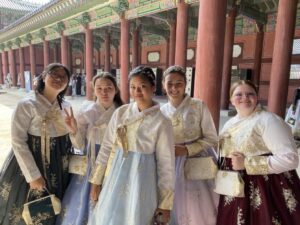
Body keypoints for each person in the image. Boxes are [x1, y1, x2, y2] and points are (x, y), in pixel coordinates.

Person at [88, 66, 175, 225]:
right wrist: (96, 182)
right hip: (115, 175)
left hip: (143, 179)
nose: (137, 91)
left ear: (153, 88)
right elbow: (106, 147)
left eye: (143, 86)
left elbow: (166, 164)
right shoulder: (121, 112)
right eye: (133, 87)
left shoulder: (162, 122)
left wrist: (165, 203)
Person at [217, 80, 300, 225]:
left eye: (250, 94)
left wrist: (248, 163)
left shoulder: (268, 120)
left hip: (265, 186)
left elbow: (290, 159)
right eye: (239, 94)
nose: (245, 98)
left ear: (257, 96)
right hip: (235, 186)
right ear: (231, 99)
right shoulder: (231, 123)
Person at [0, 63, 72, 225]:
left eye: (63, 77)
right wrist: (32, 175)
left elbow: (71, 140)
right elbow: (18, 141)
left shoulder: (66, 106)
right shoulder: (26, 104)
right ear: (43, 76)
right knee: (27, 209)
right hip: (31, 163)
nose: (58, 79)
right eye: (54, 74)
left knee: (54, 206)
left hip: (59, 164)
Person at [56, 73, 123, 225]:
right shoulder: (87, 111)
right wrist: (73, 130)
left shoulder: (123, 112)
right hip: (90, 161)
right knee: (85, 199)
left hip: (113, 161)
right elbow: (79, 145)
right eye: (99, 88)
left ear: (116, 90)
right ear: (94, 90)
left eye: (108, 88)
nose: (104, 92)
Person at [160, 65, 219, 225]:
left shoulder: (199, 105)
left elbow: (212, 138)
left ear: (186, 84)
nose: (174, 88)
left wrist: (186, 149)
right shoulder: (160, 111)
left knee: (197, 207)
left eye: (179, 83)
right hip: (169, 162)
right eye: (170, 83)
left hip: (196, 159)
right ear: (163, 85)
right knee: (171, 203)